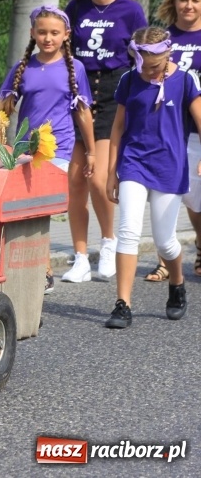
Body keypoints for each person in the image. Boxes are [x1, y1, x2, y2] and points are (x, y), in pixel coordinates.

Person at [104, 26, 201, 329]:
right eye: (143, 62)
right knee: (129, 230)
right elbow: (118, 127)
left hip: (170, 167)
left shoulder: (186, 80)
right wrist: (112, 172)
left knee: (165, 240)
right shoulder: (130, 79)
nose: (148, 70)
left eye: (154, 65)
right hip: (134, 162)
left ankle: (177, 282)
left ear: (168, 54)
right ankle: (123, 304)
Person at [0, 5, 96, 294]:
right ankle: (42, 269)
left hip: (59, 148)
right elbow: (3, 107)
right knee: (29, 211)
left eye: (54, 33)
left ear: (66, 35)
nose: (48, 38)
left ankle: (44, 269)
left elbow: (83, 112)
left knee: (43, 208)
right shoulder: (23, 67)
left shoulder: (74, 68)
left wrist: (91, 151)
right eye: (42, 32)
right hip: (25, 148)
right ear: (32, 34)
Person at [62, 0, 147, 283]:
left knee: (99, 179)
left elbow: (141, 56)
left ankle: (108, 243)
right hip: (80, 90)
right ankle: (81, 256)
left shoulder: (130, 10)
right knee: (74, 180)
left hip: (114, 90)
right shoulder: (76, 8)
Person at [147, 0, 201, 282]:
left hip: (196, 128)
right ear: (174, 2)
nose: (189, 5)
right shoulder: (164, 38)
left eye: (195, 0)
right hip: (165, 126)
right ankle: (165, 259)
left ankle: (200, 242)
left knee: (195, 198)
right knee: (162, 192)